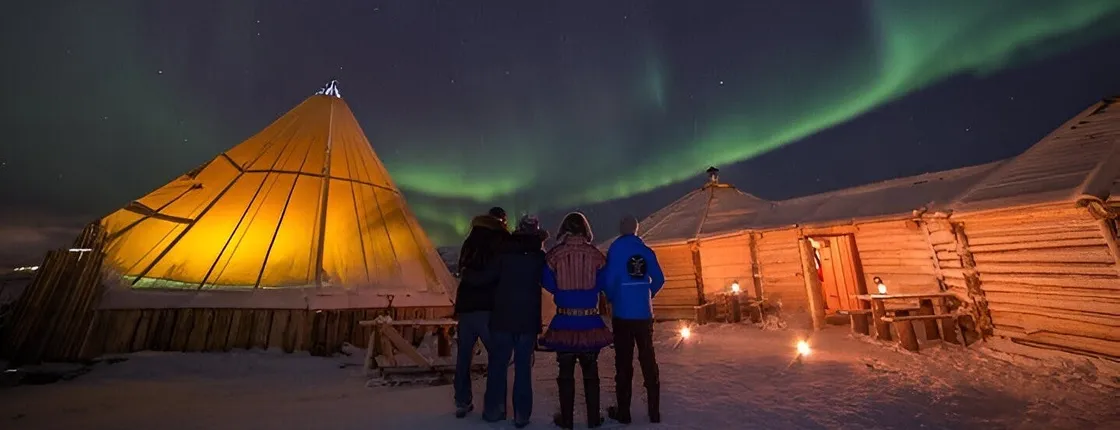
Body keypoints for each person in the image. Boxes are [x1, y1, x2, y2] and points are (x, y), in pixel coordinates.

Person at [540, 212, 613, 429]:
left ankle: (567, 420)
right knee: (591, 373)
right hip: (590, 321)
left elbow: (547, 283)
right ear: (585, 229)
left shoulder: (553, 256)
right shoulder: (597, 256)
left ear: (565, 229)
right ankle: (593, 419)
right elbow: (604, 283)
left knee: (565, 373)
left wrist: (564, 289)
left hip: (564, 321)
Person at [479, 215, 549, 427]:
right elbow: (547, 281)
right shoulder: (539, 257)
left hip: (502, 316)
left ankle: (493, 411)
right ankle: (521, 414)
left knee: (498, 365)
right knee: (523, 368)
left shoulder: (503, 253)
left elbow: (486, 278)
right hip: (527, 320)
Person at [601, 215, 665, 424]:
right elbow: (659, 279)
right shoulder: (646, 251)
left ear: (621, 229)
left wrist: (612, 296)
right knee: (648, 359)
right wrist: (647, 293)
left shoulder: (616, 251)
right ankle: (654, 412)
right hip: (644, 315)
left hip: (622, 314)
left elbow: (608, 280)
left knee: (624, 362)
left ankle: (624, 412)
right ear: (637, 230)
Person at [453, 206, 509, 418]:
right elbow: (500, 273)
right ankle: (495, 405)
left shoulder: (470, 241)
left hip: (466, 305)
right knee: (498, 356)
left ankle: (461, 400)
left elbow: (464, 270)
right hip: (487, 306)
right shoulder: (499, 241)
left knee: (464, 356)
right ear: (502, 221)